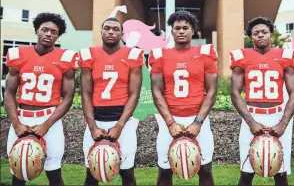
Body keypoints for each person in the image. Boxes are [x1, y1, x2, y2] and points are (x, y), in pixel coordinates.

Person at [4, 12, 78, 186]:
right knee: (18, 170)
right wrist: (16, 124)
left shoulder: (65, 58)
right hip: (21, 116)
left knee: (53, 172)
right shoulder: (18, 54)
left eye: (54, 32)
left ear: (58, 35)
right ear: (37, 30)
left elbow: (68, 97)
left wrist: (46, 125)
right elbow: (9, 92)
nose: (48, 34)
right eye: (45, 30)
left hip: (49, 118)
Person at [148, 10, 218, 186]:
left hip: (198, 119)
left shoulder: (205, 53)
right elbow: (156, 91)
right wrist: (171, 123)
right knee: (164, 171)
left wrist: (198, 122)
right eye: (177, 28)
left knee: (206, 170)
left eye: (185, 28)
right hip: (169, 120)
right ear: (171, 31)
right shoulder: (160, 55)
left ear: (192, 30)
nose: (181, 31)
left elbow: (212, 91)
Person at [230, 17, 294, 186]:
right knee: (246, 172)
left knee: (280, 174)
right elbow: (234, 92)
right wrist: (251, 122)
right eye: (256, 33)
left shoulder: (284, 55)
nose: (260, 35)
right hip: (252, 115)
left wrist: (283, 123)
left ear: (271, 34)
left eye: (264, 32)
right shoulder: (241, 56)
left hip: (277, 114)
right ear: (250, 37)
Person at [79, 17, 144, 186]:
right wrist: (92, 126)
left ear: (122, 34)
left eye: (115, 29)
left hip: (123, 120)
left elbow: (134, 94)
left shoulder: (132, 54)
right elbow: (86, 93)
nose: (111, 32)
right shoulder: (89, 54)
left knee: (127, 172)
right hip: (97, 118)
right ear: (101, 32)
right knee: (92, 171)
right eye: (107, 28)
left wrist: (119, 126)